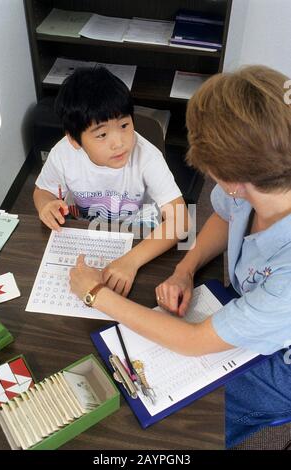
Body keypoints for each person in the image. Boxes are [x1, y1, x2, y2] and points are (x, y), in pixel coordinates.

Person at [69, 65, 291, 448]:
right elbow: (226, 213)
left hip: (280, 367)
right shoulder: (256, 185)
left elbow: (192, 342)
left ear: (234, 178)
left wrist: (96, 295)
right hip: (250, 304)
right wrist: (185, 270)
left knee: (175, 422)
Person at [34, 66, 188, 297]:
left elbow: (182, 221)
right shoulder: (63, 154)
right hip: (86, 235)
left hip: (140, 236)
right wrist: (46, 205)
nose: (119, 143)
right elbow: (41, 191)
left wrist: (131, 261)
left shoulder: (147, 156)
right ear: (74, 140)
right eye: (102, 134)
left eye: (124, 125)